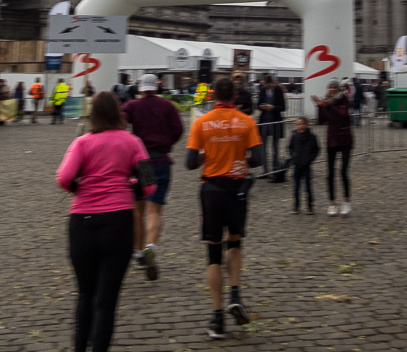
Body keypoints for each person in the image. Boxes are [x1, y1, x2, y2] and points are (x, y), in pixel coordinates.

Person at [56, 92, 156, 352]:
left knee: (85, 293)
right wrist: (129, 185)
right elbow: (149, 184)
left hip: (82, 222)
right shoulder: (133, 142)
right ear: (119, 113)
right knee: (106, 301)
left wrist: (79, 188)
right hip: (118, 222)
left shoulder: (81, 143)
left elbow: (64, 177)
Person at [185, 78, 264, 340]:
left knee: (213, 252)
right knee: (235, 243)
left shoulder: (201, 122)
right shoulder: (246, 121)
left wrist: (206, 155)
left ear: (213, 95)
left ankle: (217, 317)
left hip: (211, 190)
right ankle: (236, 293)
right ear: (235, 96)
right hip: (237, 188)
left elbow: (189, 163)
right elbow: (260, 159)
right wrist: (243, 162)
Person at [122, 73, 184, 280]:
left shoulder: (132, 106)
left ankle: (138, 251)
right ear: (157, 87)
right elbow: (178, 129)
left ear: (140, 88)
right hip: (161, 159)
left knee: (138, 209)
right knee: (155, 210)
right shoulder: (168, 106)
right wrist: (167, 143)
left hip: (142, 162)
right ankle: (151, 246)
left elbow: (121, 123)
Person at [313, 80, 353, 216]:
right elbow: (321, 121)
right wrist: (320, 107)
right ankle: (332, 203)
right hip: (332, 140)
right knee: (330, 173)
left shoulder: (343, 100)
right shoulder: (327, 101)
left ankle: (346, 201)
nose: (331, 90)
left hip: (345, 138)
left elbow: (343, 116)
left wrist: (330, 105)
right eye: (329, 87)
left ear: (338, 89)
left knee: (343, 172)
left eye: (333, 87)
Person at [257, 74, 286, 181]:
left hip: (275, 121)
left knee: (275, 148)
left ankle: (274, 170)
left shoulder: (278, 90)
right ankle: (265, 170)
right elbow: (258, 105)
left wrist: (273, 107)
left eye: (269, 84)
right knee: (263, 148)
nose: (268, 86)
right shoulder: (262, 90)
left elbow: (283, 107)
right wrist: (262, 107)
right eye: (266, 84)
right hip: (264, 121)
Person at [288, 116, 319, 214]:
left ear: (306, 125)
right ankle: (296, 207)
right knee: (296, 188)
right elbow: (290, 147)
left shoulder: (312, 137)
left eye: (302, 124)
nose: (300, 126)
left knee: (308, 187)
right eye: (298, 124)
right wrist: (294, 157)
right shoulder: (294, 136)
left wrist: (310, 159)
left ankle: (310, 206)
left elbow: (316, 149)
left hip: (306, 165)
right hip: (297, 165)